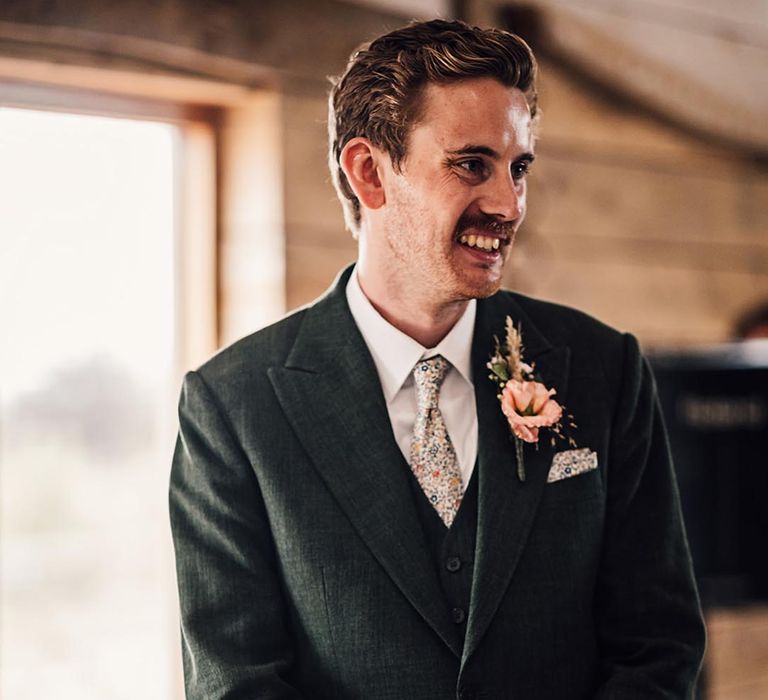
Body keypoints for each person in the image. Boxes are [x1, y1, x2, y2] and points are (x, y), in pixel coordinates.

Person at [170, 19, 705, 699]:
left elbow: (660, 645)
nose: (509, 205)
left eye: (519, 169)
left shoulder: (605, 369)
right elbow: (236, 681)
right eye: (471, 164)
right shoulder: (233, 406)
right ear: (369, 173)